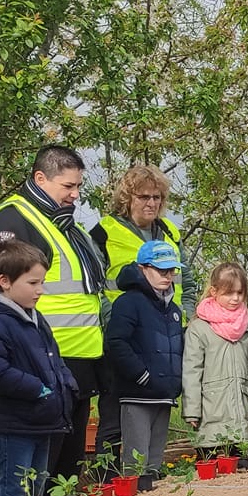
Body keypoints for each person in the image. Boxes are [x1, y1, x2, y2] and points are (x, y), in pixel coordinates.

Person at [0, 145, 108, 484]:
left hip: (78, 359)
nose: (75, 195)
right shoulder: (12, 219)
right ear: (40, 178)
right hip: (38, 361)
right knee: (33, 474)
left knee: (67, 469)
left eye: (78, 186)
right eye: (68, 186)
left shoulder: (68, 226)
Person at [91, 165, 182, 472]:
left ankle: (145, 480)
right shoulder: (104, 232)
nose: (151, 203)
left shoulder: (169, 232)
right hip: (124, 338)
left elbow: (188, 281)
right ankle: (107, 482)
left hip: (163, 336)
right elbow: (94, 283)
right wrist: (111, 318)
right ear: (127, 198)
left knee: (153, 422)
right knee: (115, 418)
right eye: (144, 196)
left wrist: (186, 316)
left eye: (157, 197)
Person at [0, 242, 79, 496]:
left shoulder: (36, 318)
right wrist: (38, 389)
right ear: (5, 281)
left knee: (35, 489)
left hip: (42, 421)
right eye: (33, 282)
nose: (40, 290)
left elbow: (54, 358)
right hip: (16, 424)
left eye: (42, 282)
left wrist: (66, 384)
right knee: (15, 493)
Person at [105, 240, 187, 481]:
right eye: (161, 270)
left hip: (164, 392)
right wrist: (141, 374)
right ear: (142, 269)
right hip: (137, 393)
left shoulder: (173, 309)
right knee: (136, 461)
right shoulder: (128, 302)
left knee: (154, 461)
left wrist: (176, 381)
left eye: (171, 270)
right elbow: (116, 342)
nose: (168, 275)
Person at [184, 262, 248, 464]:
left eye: (240, 293)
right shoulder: (199, 328)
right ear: (214, 292)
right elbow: (192, 371)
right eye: (228, 293)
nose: (235, 298)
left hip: (241, 413)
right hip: (210, 412)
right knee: (210, 469)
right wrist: (191, 410)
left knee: (242, 470)